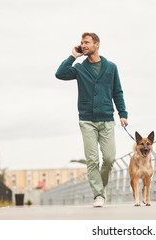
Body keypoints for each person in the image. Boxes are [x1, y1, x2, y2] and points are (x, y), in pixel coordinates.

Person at [55, 32, 128, 207]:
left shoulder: (111, 67)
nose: (84, 45)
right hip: (87, 120)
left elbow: (117, 91)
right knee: (92, 160)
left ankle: (100, 186)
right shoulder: (80, 68)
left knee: (109, 158)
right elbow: (60, 74)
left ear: (97, 45)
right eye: (82, 42)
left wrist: (122, 114)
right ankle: (98, 195)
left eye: (87, 42)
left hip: (107, 119)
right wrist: (73, 56)